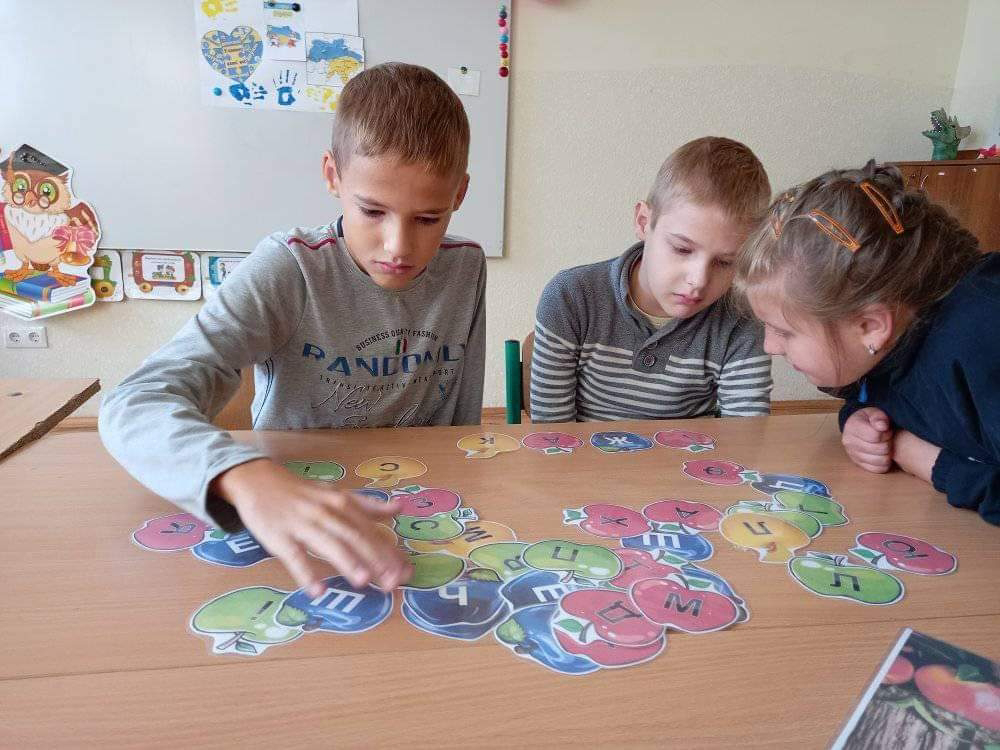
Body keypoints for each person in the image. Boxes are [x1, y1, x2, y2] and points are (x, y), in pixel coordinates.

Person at [100, 63, 489, 593]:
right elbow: (134, 402)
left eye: (428, 219)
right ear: (332, 176)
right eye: (372, 210)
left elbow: (461, 423)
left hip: (422, 505)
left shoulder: (466, 266)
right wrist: (241, 475)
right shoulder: (289, 268)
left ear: (459, 194)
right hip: (291, 501)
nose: (399, 246)